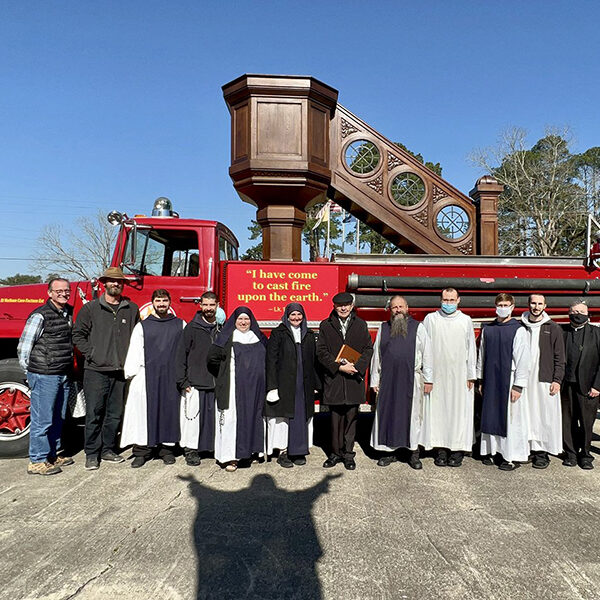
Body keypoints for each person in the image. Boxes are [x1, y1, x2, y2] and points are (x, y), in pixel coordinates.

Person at [72, 266, 140, 470]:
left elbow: (138, 338)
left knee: (115, 414)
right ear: (104, 283)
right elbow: (77, 335)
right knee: (94, 413)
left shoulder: (132, 308)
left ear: (123, 284)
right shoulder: (91, 308)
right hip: (96, 371)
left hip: (120, 372)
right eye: (112, 281)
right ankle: (91, 453)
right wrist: (92, 354)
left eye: (119, 281)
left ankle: (108, 449)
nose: (115, 284)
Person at [120, 289, 185, 467]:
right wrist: (132, 374)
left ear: (170, 302)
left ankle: (167, 450)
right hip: (146, 376)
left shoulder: (180, 324)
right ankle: (142, 451)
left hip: (171, 377)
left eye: (164, 301)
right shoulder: (142, 326)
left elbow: (185, 351)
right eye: (158, 301)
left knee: (169, 412)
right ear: (153, 303)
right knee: (142, 413)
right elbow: (134, 351)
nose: (161, 304)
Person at [18, 278, 74, 475]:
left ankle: (52, 454)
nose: (63, 293)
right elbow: (24, 346)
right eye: (58, 290)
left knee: (58, 416)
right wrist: (31, 373)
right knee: (43, 418)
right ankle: (37, 460)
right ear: (49, 293)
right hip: (44, 373)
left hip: (62, 372)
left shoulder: (68, 312)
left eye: (66, 290)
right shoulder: (40, 315)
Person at [370, 295, 433, 470]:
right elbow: (377, 356)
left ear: (407, 308)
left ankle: (413, 453)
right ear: (390, 310)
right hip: (388, 380)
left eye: (401, 307)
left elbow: (427, 354)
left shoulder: (418, 328)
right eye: (394, 307)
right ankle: (388, 452)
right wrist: (375, 379)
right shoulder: (384, 328)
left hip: (411, 379)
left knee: (412, 416)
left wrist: (429, 379)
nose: (398, 310)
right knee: (388, 414)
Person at [316, 292, 373, 471]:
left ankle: (348, 455)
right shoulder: (326, 325)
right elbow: (321, 352)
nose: (343, 308)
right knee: (335, 420)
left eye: (347, 305)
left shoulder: (361, 324)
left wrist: (356, 367)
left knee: (351, 419)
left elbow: (368, 349)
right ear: (334, 306)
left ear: (351, 306)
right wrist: (339, 367)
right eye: (340, 305)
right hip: (335, 379)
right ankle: (334, 454)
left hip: (353, 379)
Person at [207, 307, 267, 472]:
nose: (243, 322)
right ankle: (230, 458)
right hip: (233, 387)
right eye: (240, 319)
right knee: (231, 421)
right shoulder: (226, 338)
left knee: (252, 418)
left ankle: (249, 452)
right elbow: (212, 359)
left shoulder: (259, 337)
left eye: (246, 319)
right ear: (234, 321)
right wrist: (223, 375)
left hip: (255, 388)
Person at [421, 288, 476, 467]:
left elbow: (471, 350)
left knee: (459, 412)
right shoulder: (431, 319)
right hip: (437, 376)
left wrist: (471, 375)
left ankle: (457, 449)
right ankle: (441, 449)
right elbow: (425, 349)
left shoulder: (466, 321)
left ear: (459, 300)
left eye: (452, 300)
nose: (448, 303)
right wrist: (427, 376)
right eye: (445, 299)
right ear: (440, 300)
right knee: (438, 412)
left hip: (460, 376)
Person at [477, 293, 531, 471]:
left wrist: (518, 385)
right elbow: (481, 355)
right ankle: (492, 452)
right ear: (495, 306)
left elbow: (523, 360)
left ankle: (511, 456)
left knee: (511, 419)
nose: (503, 307)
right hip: (491, 379)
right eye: (500, 304)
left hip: (509, 381)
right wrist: (481, 379)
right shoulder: (488, 329)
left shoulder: (519, 330)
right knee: (490, 416)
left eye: (506, 304)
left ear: (513, 307)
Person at [265, 303, 320, 468]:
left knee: (302, 416)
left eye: (299, 315)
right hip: (284, 384)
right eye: (293, 315)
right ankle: (283, 452)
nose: (296, 318)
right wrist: (272, 386)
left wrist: (316, 384)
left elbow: (314, 361)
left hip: (303, 384)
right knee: (284, 418)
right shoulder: (278, 333)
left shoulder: (309, 335)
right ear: (287, 316)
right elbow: (271, 361)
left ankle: (298, 451)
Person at [175, 291, 221, 466]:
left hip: (215, 382)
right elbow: (181, 355)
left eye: (212, 305)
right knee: (192, 420)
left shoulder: (221, 328)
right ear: (200, 306)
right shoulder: (192, 328)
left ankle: (211, 447)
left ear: (217, 305)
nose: (208, 308)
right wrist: (183, 380)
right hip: (195, 382)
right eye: (205, 305)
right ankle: (191, 450)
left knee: (213, 419)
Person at [521, 294, 565, 469]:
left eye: (540, 304)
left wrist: (557, 380)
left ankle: (541, 453)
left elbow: (560, 357)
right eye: (533, 303)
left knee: (543, 416)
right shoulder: (520, 325)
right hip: (523, 380)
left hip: (544, 379)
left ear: (545, 305)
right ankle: (526, 448)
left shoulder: (553, 328)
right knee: (526, 413)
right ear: (528, 304)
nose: (536, 307)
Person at [561, 299, 600, 469]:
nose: (578, 315)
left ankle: (585, 455)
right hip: (565, 386)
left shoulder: (597, 333)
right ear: (569, 313)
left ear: (588, 314)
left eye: (581, 312)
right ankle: (570, 453)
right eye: (574, 312)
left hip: (589, 387)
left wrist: (598, 386)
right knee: (567, 421)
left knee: (586, 422)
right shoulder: (561, 331)